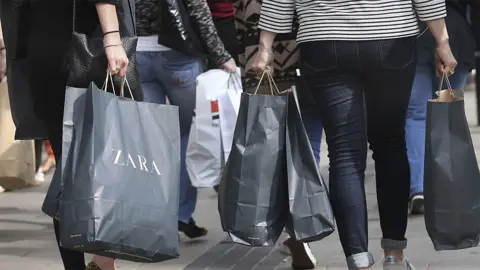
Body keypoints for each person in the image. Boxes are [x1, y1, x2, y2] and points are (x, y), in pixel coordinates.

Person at [253, 0, 456, 269]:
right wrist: (442, 40)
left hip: (324, 40)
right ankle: (394, 256)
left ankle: (358, 259)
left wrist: (265, 47)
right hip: (390, 37)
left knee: (344, 152)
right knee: (391, 144)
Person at [4, 0, 131, 269]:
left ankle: (83, 264)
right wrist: (112, 38)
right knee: (107, 159)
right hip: (86, 48)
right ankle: (104, 262)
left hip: (37, 51)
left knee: (68, 170)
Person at [135, 0, 236, 239]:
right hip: (177, 54)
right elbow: (198, 10)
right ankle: (180, 212)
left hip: (136, 53)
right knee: (187, 133)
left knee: (153, 139)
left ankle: (156, 214)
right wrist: (221, 56)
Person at [235, 0, 322, 268]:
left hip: (262, 62)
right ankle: (303, 223)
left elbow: (239, 19)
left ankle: (287, 225)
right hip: (312, 55)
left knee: (273, 147)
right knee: (309, 142)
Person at [407, 0, 477, 215]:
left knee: (415, 114)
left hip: (412, 34)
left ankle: (419, 189)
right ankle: (450, 186)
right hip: (454, 33)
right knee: (449, 112)